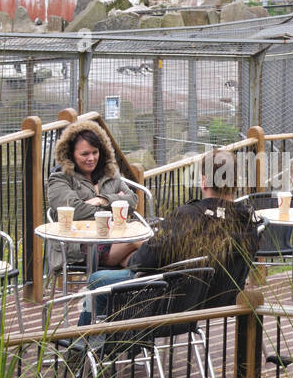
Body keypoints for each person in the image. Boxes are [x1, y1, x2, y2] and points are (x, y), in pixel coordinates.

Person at [78, 149, 259, 324]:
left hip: (173, 302)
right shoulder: (247, 221)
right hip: (222, 300)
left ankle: (85, 347)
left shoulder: (188, 216)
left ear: (204, 181)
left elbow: (146, 260)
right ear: (236, 182)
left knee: (98, 280)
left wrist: (136, 246)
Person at [47, 119, 140, 274]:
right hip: (80, 246)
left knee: (136, 257)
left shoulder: (109, 173)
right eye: (84, 154)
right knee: (141, 243)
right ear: (70, 154)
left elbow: (132, 201)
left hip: (113, 239)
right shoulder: (60, 179)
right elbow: (75, 211)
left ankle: (109, 293)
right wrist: (116, 203)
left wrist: (102, 199)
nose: (91, 158)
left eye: (95, 152)